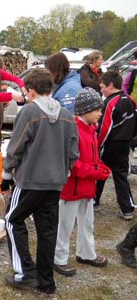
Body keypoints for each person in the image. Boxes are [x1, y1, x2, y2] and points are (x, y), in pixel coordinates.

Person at [1, 68, 79, 294]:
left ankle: (25, 273)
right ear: (51, 89)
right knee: (47, 231)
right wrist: (63, 171)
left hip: (29, 182)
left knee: (12, 220)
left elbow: (15, 147)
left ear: (31, 92)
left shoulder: (29, 112)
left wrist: (7, 175)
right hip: (55, 183)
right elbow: (74, 152)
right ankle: (46, 282)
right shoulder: (67, 115)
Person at [54, 88, 110, 277]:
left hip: (87, 187)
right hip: (71, 189)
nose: (100, 114)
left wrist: (100, 167)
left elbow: (92, 157)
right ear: (85, 110)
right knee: (65, 225)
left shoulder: (91, 130)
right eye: (97, 110)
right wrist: (95, 171)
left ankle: (86, 253)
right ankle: (58, 258)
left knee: (87, 222)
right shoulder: (74, 130)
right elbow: (73, 163)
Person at [94, 71, 137, 219]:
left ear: (110, 85)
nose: (101, 91)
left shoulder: (111, 102)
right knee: (121, 176)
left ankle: (94, 201)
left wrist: (97, 144)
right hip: (125, 143)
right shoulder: (130, 100)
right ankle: (127, 209)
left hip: (110, 144)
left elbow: (104, 127)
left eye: (102, 87)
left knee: (100, 172)